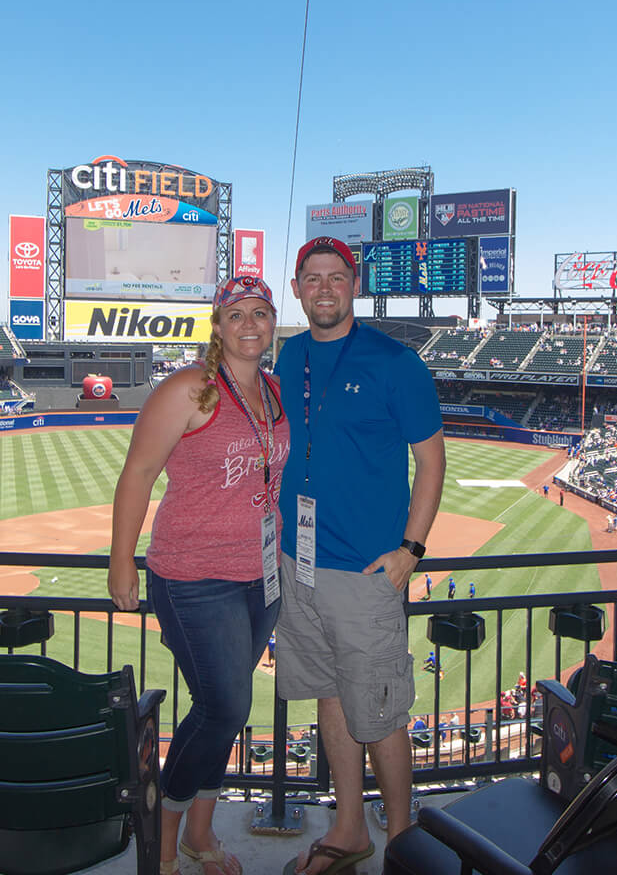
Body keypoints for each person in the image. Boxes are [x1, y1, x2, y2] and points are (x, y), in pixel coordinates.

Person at [273, 237, 446, 871]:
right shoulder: (288, 355)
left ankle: (402, 845)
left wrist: (412, 548)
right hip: (301, 562)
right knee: (329, 695)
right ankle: (349, 830)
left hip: (368, 569)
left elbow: (432, 462)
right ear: (297, 288)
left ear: (354, 286)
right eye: (312, 277)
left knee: (380, 712)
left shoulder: (396, 362)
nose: (324, 288)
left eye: (336, 277)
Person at [108, 274, 288, 875]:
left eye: (260, 313)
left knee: (221, 711)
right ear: (217, 325)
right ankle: (163, 841)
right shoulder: (190, 389)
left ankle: (200, 836)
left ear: (271, 322)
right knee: (226, 706)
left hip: (259, 577)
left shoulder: (276, 391)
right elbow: (137, 474)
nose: (249, 325)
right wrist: (120, 560)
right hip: (192, 577)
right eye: (236, 314)